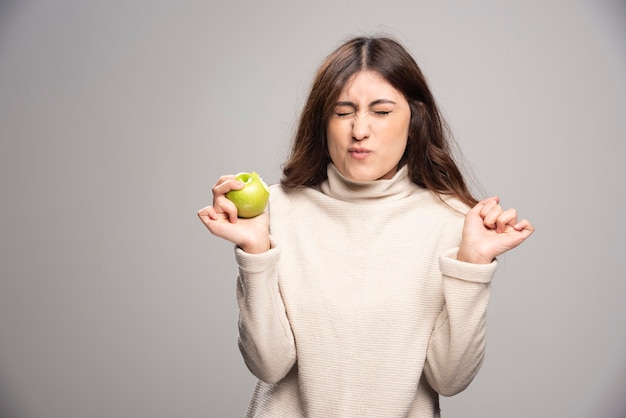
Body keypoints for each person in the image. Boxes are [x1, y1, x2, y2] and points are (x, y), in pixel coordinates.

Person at [198, 35, 534, 418]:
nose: (359, 130)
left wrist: (472, 263)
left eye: (381, 111)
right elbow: (268, 365)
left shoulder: (457, 222)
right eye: (343, 112)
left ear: (415, 120)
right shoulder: (274, 211)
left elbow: (450, 380)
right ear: (322, 122)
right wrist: (256, 251)